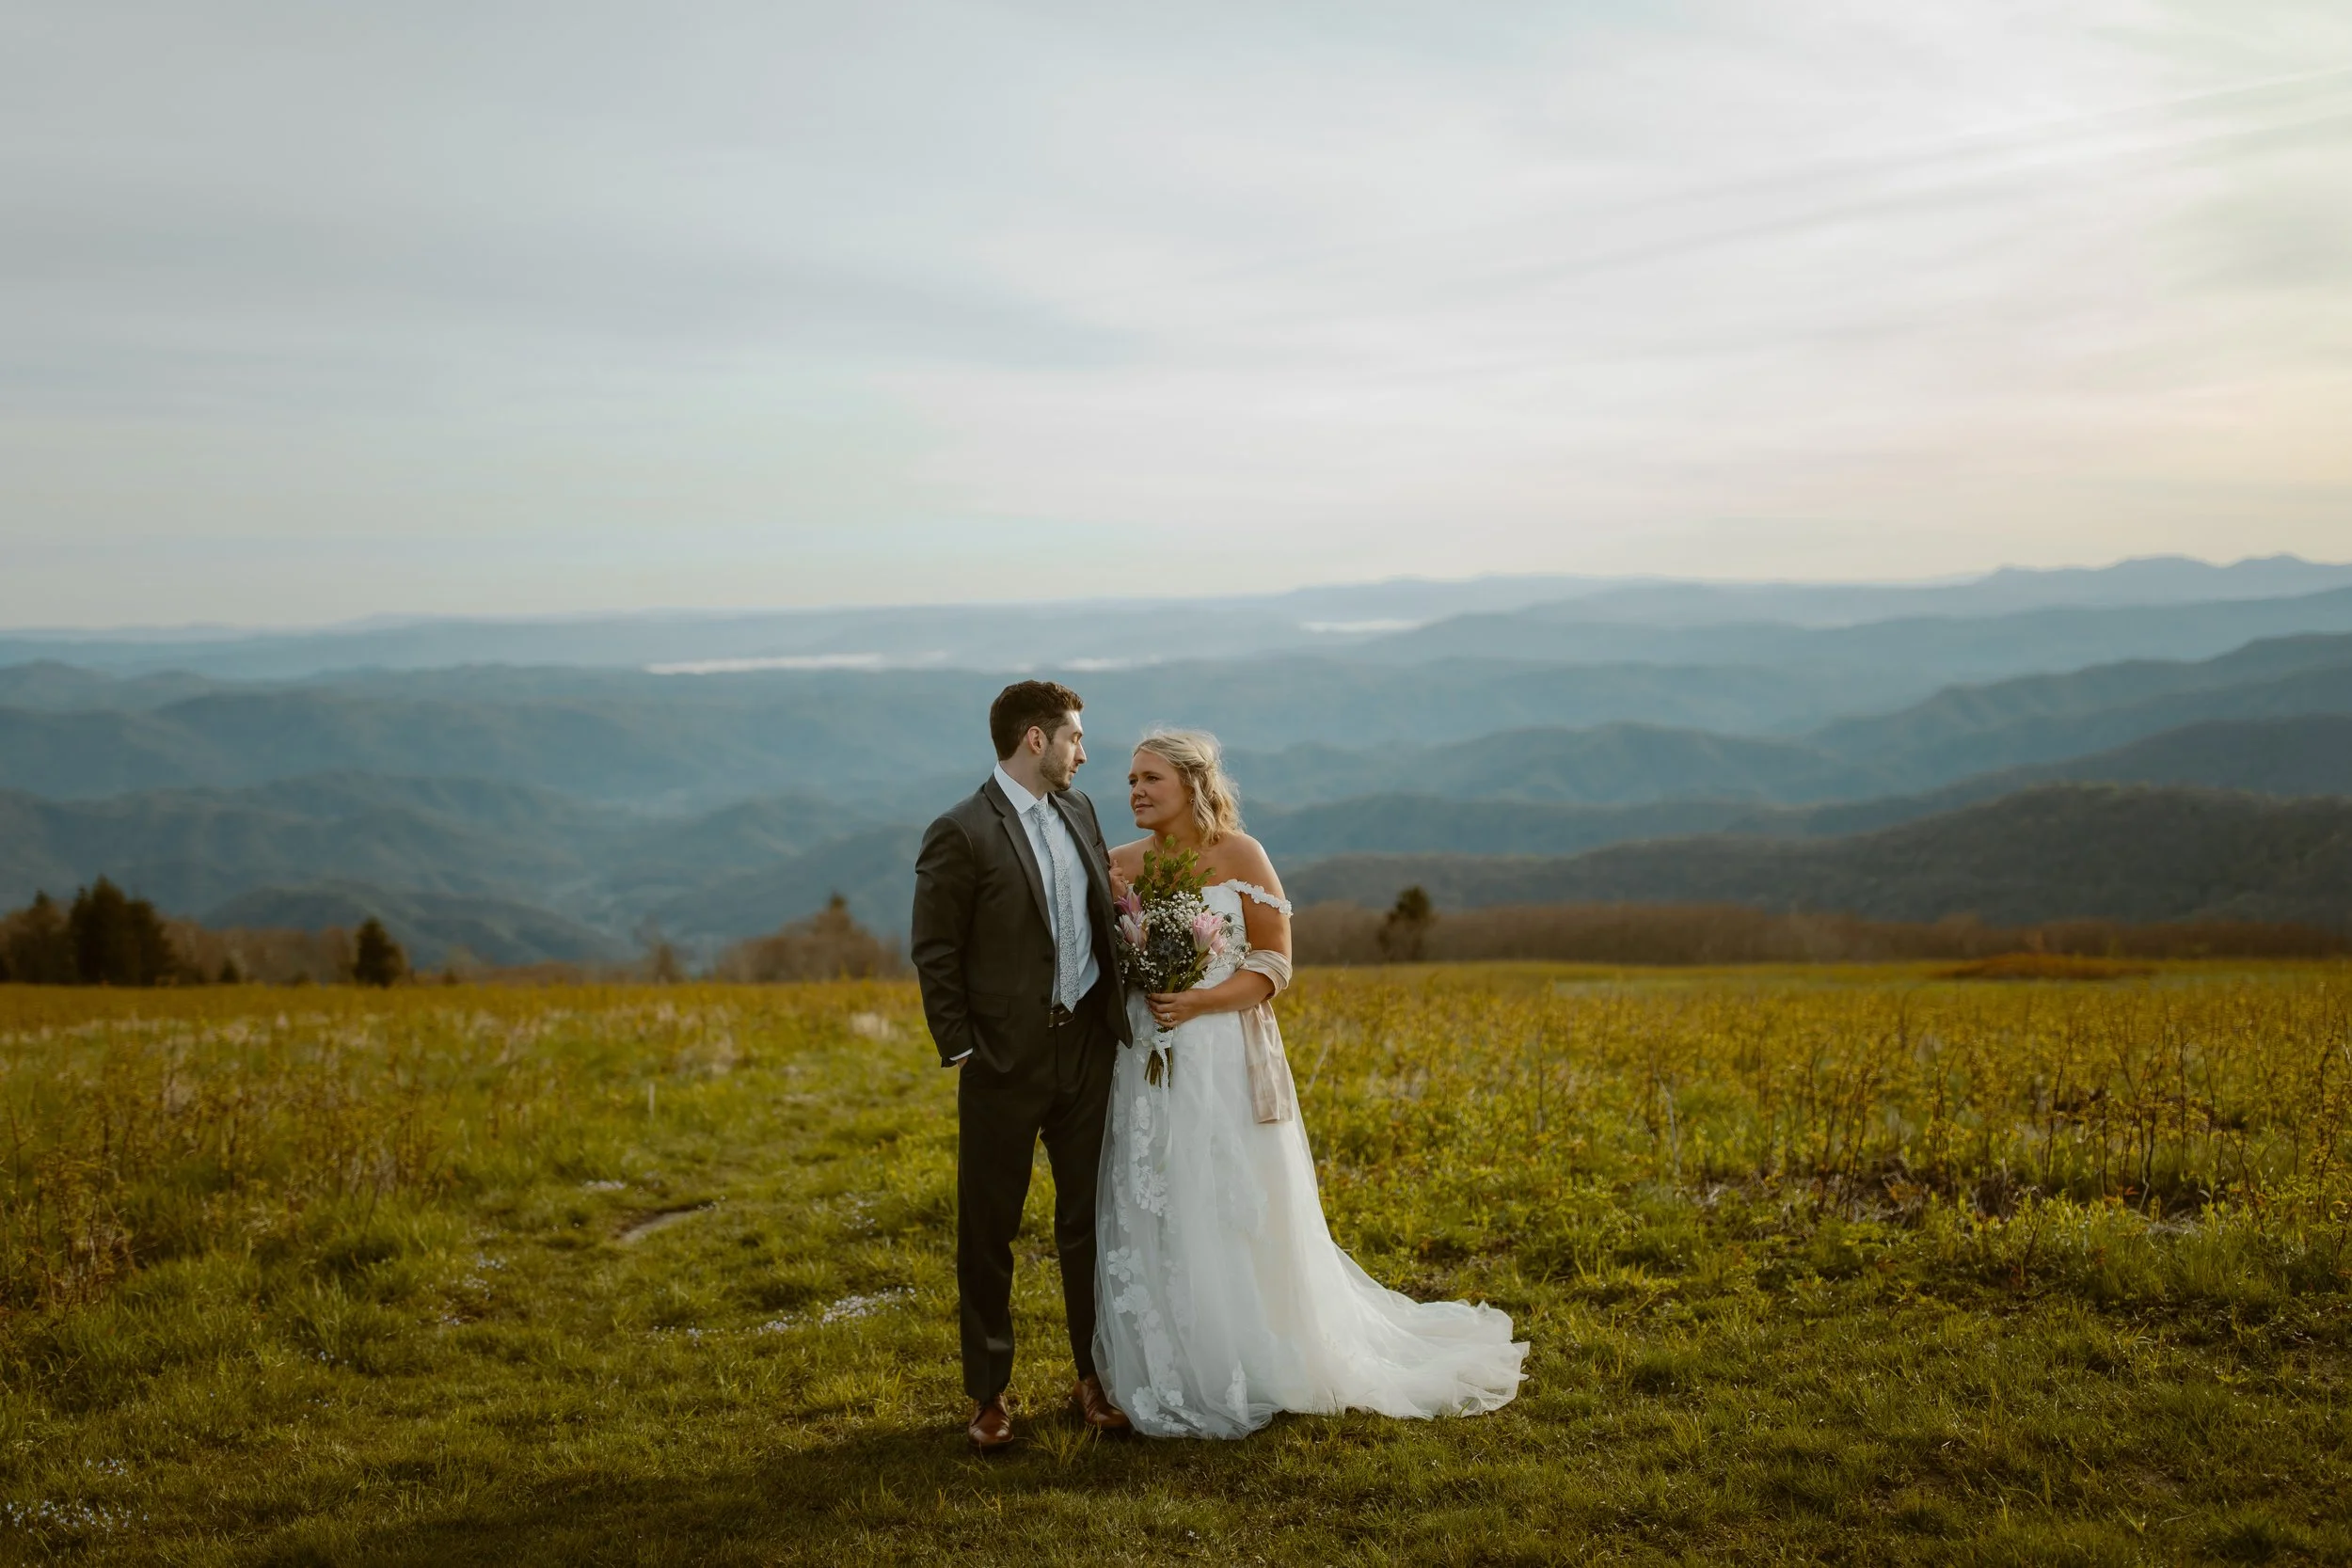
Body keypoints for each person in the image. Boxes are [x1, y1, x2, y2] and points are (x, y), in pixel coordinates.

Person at [1095, 728, 1527, 1438]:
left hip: (1224, 1054)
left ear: (1193, 785)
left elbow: (1275, 962)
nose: (1136, 792)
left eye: (1151, 779)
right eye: (1132, 780)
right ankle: (1173, 1361)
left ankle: (1254, 1355)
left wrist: (1199, 998)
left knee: (1232, 1201)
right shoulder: (1120, 865)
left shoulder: (1241, 855)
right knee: (1159, 1198)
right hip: (1148, 1059)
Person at [909, 680, 1135, 1452]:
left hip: (1087, 1051)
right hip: (1004, 1062)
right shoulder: (961, 831)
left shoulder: (1080, 810)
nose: (1084, 752)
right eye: (1075, 737)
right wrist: (965, 1045)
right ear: (1035, 739)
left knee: (1087, 1220)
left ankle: (1093, 1376)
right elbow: (934, 949)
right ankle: (989, 1393)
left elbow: (1103, 908)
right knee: (989, 1230)